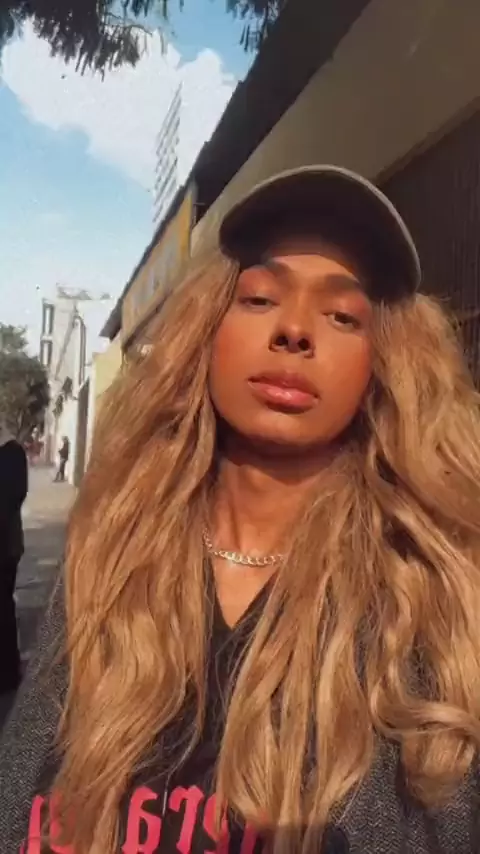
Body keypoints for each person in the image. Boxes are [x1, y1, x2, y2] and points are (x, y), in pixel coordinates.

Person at [1, 165, 480, 854]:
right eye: (259, 299)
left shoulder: (430, 597)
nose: (295, 330)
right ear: (206, 334)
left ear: (382, 364)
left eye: (342, 316)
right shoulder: (111, 550)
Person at [0, 422, 28, 694]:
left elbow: (12, 499)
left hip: (6, 546)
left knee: (3, 608)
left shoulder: (12, 453)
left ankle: (8, 673)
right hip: (7, 545)